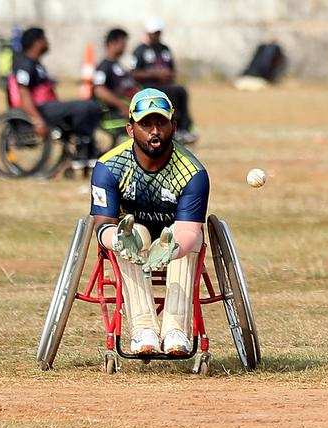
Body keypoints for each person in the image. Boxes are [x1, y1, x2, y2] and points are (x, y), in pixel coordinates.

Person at [90, 88, 210, 355]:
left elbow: (190, 229)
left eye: (160, 123)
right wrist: (119, 239)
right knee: (134, 237)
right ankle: (143, 327)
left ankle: (175, 329)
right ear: (131, 129)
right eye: (145, 124)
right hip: (133, 230)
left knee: (187, 242)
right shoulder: (109, 167)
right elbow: (102, 224)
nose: (154, 131)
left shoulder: (193, 173)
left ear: (173, 127)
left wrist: (172, 248)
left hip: (176, 233)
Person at [9, 27, 102, 162]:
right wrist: (37, 120)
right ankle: (82, 151)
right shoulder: (25, 64)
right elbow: (23, 94)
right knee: (83, 107)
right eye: (44, 39)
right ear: (36, 42)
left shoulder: (36, 64)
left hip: (49, 106)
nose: (48, 42)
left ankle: (86, 146)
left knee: (91, 106)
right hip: (39, 109)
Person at [131, 18, 197, 144]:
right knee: (170, 92)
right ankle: (171, 127)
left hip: (167, 85)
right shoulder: (140, 50)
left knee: (181, 90)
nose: (155, 36)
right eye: (153, 33)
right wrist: (155, 74)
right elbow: (134, 73)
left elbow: (172, 69)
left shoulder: (165, 49)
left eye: (158, 32)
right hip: (148, 87)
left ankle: (184, 127)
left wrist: (168, 74)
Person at [92, 28, 139, 117]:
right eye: (123, 42)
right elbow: (99, 90)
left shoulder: (119, 64)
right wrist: (122, 106)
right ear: (112, 43)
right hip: (117, 115)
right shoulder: (104, 67)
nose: (125, 46)